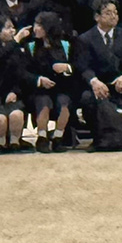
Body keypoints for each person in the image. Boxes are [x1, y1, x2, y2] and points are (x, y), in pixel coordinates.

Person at [77, 0, 122, 146]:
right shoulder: (85, 39)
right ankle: (99, 137)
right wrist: (94, 82)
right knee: (87, 99)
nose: (113, 16)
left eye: (115, 12)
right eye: (108, 13)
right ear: (97, 17)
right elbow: (83, 67)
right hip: (98, 84)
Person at [25, 10, 76, 152]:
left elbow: (77, 66)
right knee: (43, 102)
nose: (35, 28)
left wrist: (67, 67)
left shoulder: (66, 45)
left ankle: (58, 137)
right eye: (35, 24)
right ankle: (42, 137)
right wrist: (39, 80)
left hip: (62, 87)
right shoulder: (31, 47)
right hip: (40, 88)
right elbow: (24, 72)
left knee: (64, 103)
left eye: (40, 25)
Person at [0, 14, 30, 152]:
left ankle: (15, 142)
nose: (13, 31)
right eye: (8, 28)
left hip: (12, 92)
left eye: (13, 27)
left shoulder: (18, 49)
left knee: (16, 115)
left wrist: (15, 91)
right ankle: (1, 143)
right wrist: (16, 40)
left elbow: (21, 73)